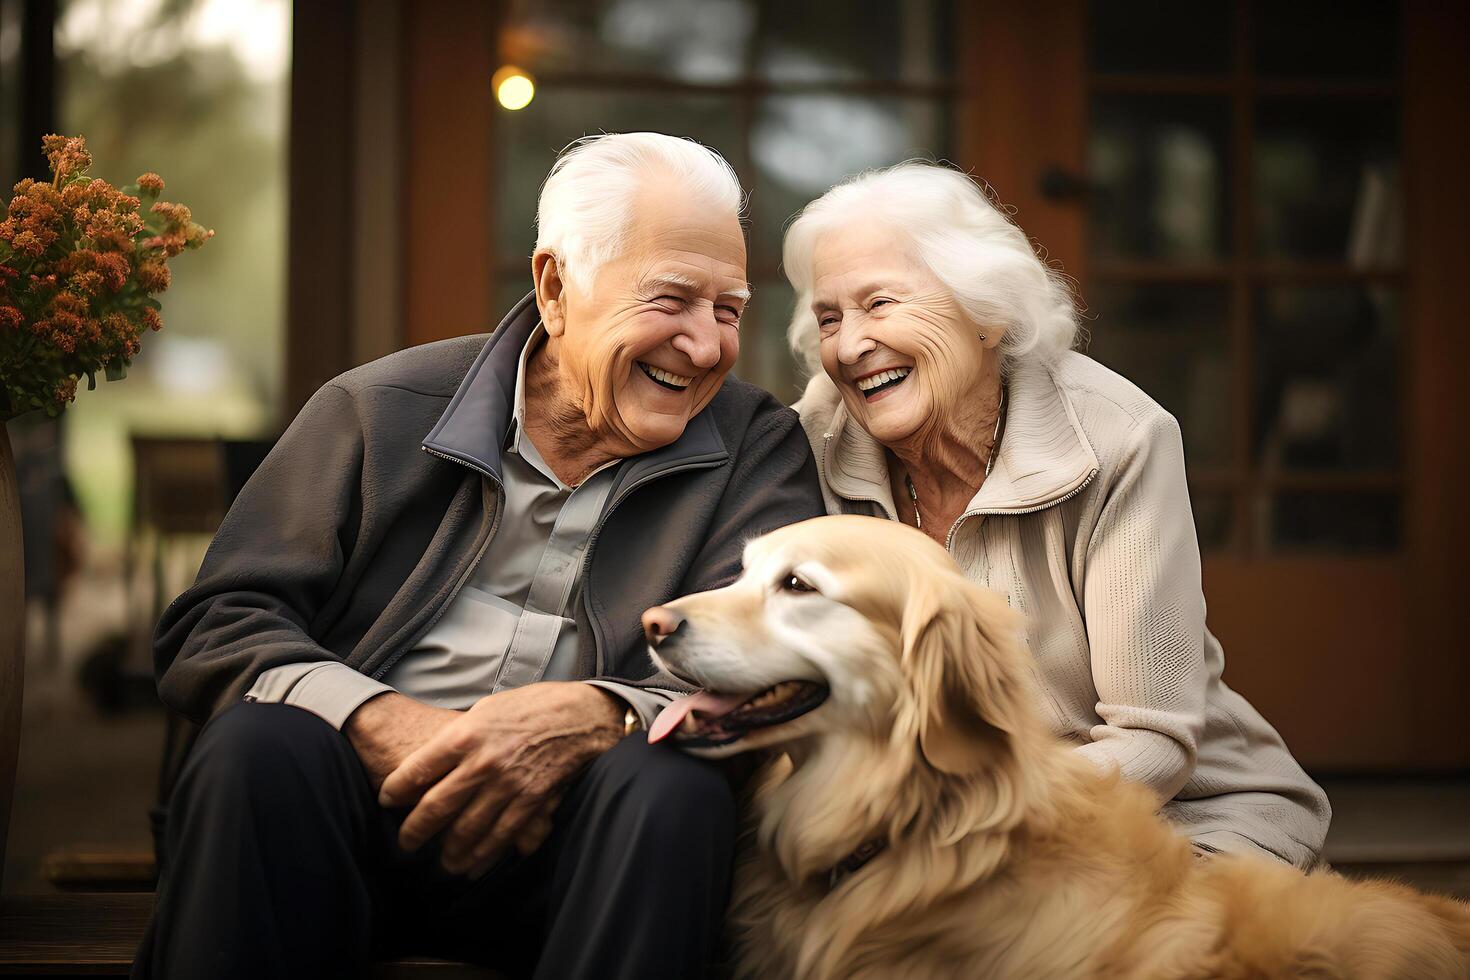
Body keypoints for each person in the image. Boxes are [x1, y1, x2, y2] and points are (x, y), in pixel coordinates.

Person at [134, 132, 825, 979]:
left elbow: (773, 660)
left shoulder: (757, 450)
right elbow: (215, 625)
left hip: (582, 848)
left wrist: (598, 714)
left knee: (668, 792)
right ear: (555, 286)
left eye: (729, 309)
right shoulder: (378, 409)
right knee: (258, 750)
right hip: (346, 816)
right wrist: (378, 721)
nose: (708, 344)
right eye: (672, 299)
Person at [786, 162, 1330, 868]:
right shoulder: (813, 442)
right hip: (917, 829)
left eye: (881, 304)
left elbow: (1154, 741)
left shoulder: (1119, 438)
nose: (849, 346)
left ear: (987, 311)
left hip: (1171, 812)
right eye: (829, 318)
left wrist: (952, 821)